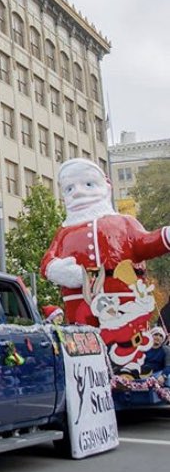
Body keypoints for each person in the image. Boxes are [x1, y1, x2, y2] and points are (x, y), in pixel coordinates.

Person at [41, 157, 170, 377]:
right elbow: (47, 262)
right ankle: (88, 374)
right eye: (70, 188)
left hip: (121, 295)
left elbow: (145, 243)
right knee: (84, 338)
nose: (78, 192)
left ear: (105, 186)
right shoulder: (63, 232)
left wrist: (165, 236)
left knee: (125, 334)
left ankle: (128, 371)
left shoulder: (124, 223)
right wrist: (60, 270)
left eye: (87, 184)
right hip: (79, 298)